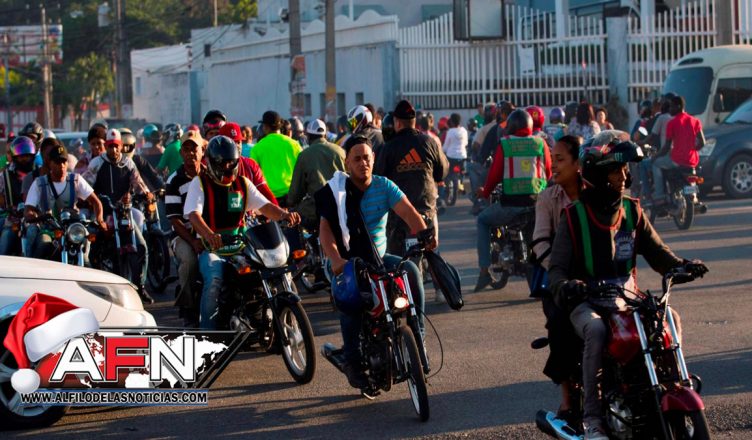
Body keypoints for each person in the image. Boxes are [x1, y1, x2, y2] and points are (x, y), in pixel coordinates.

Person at [547, 133, 707, 439]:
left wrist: (681, 265)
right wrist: (568, 286)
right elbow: (556, 271)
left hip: (628, 297)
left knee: (670, 317)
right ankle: (593, 419)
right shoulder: (574, 216)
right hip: (588, 300)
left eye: (625, 170)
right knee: (596, 330)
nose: (624, 176)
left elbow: (658, 252)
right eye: (616, 170)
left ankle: (673, 387)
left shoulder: (632, 210)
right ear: (598, 174)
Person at [315, 135, 436, 388]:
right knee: (351, 299)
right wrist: (336, 260)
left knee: (411, 271)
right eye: (357, 159)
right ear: (347, 164)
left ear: (374, 159)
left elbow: (409, 213)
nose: (363, 163)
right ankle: (353, 361)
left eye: (367, 158)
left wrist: (425, 235)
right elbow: (325, 231)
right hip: (347, 262)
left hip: (379, 260)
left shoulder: (384, 186)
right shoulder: (337, 193)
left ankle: (419, 338)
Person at [184, 135, 300, 330]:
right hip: (212, 248)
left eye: (232, 162)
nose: (228, 167)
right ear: (212, 163)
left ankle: (264, 317)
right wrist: (209, 235)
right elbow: (194, 215)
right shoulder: (200, 183)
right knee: (214, 279)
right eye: (223, 163)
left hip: (242, 245)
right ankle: (208, 334)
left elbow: (265, 206)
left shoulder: (243, 183)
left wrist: (284, 215)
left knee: (272, 269)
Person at [531, 135, 583, 425]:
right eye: (553, 159)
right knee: (559, 325)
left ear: (578, 163)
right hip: (557, 281)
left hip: (593, 279)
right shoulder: (547, 198)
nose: (553, 165)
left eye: (560, 159)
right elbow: (539, 242)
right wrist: (559, 272)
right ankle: (566, 399)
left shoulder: (593, 195)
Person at [474, 109, 552, 292]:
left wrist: (485, 192)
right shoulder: (540, 143)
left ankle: (484, 271)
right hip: (537, 204)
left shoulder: (506, 144)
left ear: (511, 126)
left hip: (511, 205)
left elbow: (494, 176)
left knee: (482, 220)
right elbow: (548, 172)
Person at [83, 128, 154, 304]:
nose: (113, 150)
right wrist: (92, 199)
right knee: (92, 246)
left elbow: (138, 183)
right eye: (110, 146)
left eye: (116, 146)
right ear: (106, 146)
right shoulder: (96, 163)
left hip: (124, 211)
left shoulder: (128, 163)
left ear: (121, 146)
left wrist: (146, 194)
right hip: (103, 213)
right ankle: (94, 282)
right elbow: (85, 185)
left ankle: (141, 286)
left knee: (142, 246)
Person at [374, 99, 448, 257]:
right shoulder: (429, 142)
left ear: (397, 123)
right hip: (427, 211)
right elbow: (442, 172)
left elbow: (378, 180)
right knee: (434, 256)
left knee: (395, 263)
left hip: (399, 216)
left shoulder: (388, 148)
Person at [23, 142, 106, 260]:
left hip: (73, 230)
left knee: (88, 253)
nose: (61, 165)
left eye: (64, 161)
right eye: (57, 162)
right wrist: (36, 216)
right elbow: (28, 209)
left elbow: (96, 202)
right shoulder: (39, 183)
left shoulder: (76, 180)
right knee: (42, 244)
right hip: (49, 230)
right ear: (50, 163)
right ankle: (33, 269)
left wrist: (100, 220)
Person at [166, 130, 207, 327]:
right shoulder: (174, 180)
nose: (191, 153)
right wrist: (193, 241)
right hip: (184, 235)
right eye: (186, 149)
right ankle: (188, 309)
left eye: (194, 149)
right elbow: (175, 220)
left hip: (209, 232)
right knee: (189, 262)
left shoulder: (211, 175)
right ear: (181, 153)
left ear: (202, 151)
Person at [287, 119, 345, 228]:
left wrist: (290, 203)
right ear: (325, 135)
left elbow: (295, 193)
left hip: (315, 212)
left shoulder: (304, 155)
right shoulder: (340, 151)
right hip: (342, 208)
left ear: (308, 136)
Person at [651, 95, 705, 207]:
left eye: (671, 107)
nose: (669, 109)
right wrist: (692, 149)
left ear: (679, 107)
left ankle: (660, 196)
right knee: (692, 178)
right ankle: (694, 197)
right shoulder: (695, 121)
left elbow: (666, 147)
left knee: (655, 164)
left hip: (677, 160)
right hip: (692, 161)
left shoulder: (672, 123)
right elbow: (702, 142)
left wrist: (655, 156)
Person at [218, 121, 278, 205]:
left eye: (238, 142)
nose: (237, 146)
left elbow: (265, 192)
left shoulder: (251, 165)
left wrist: (279, 211)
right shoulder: (212, 166)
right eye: (232, 142)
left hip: (247, 212)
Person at [250, 111, 302, 207]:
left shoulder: (257, 148)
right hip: (293, 197)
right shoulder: (294, 144)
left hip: (269, 199)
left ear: (265, 127)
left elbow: (253, 174)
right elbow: (302, 170)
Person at [0, 137, 37, 255]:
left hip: (35, 221)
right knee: (6, 239)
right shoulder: (5, 175)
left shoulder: (38, 173)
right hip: (13, 221)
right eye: (21, 157)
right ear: (15, 157)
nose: (25, 159)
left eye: (27, 156)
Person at [122, 128, 164, 193]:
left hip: (137, 195)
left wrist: (162, 188)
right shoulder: (108, 162)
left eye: (129, 145)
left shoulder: (138, 159)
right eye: (124, 145)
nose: (125, 149)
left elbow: (153, 177)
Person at [442, 113, 468, 193]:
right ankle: (461, 186)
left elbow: (446, 146)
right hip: (462, 156)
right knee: (461, 173)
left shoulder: (450, 131)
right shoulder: (464, 131)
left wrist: (442, 151)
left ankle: (448, 188)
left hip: (451, 157)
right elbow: (466, 143)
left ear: (452, 122)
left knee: (448, 173)